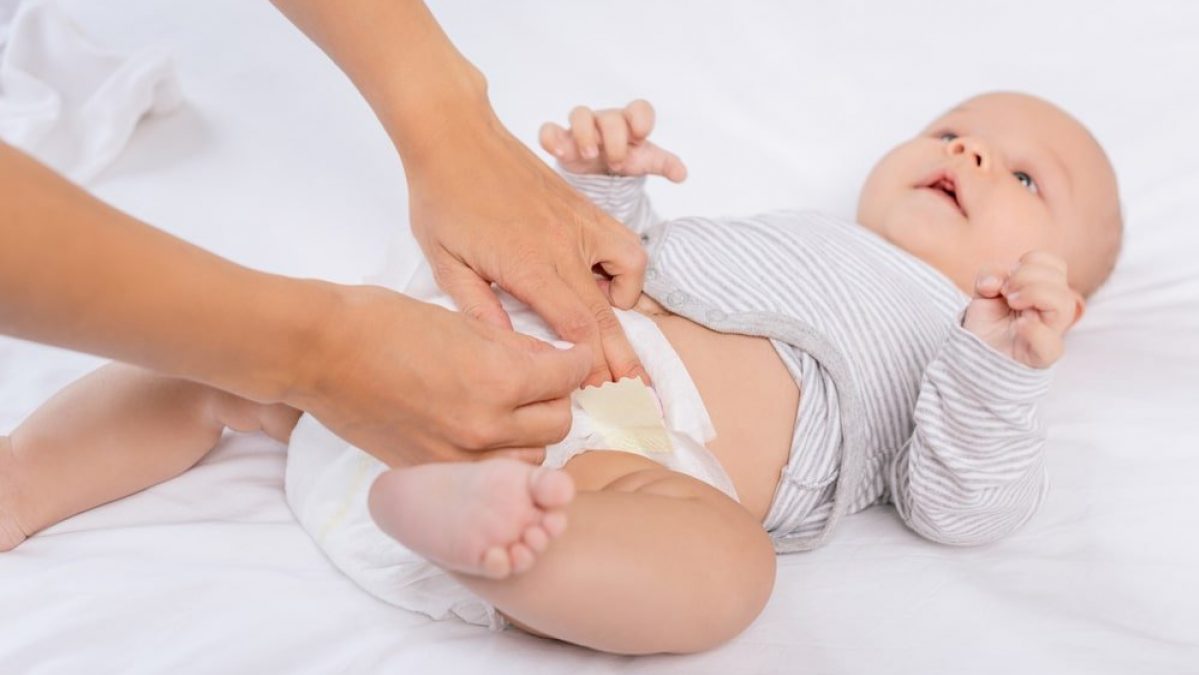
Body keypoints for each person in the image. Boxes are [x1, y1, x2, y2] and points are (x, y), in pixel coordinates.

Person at [0, 91, 1123, 655]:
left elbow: (961, 508)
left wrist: (1003, 368)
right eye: (953, 130)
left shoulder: (958, 344)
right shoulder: (790, 230)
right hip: (442, 361)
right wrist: (610, 192)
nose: (970, 152)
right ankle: (25, 477)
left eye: (1027, 174)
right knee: (226, 362)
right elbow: (614, 270)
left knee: (728, 571)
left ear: (1060, 284)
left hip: (611, 473)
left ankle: (494, 537)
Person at [0, 0, 648, 470]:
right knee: (213, 380)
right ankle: (23, 480)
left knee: (219, 382)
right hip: (427, 370)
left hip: (562, 460)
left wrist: (447, 120)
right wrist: (320, 353)